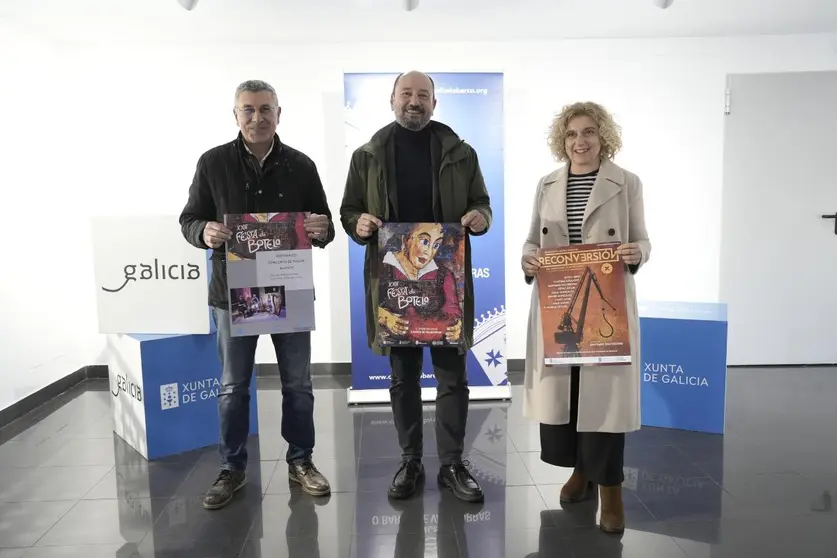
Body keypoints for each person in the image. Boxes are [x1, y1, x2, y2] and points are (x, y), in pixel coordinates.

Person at [179, 79, 335, 510]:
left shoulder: (301, 166)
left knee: (299, 386)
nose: (257, 117)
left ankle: (301, 460)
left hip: (290, 290)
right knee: (232, 388)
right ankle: (232, 467)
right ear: (236, 115)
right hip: (232, 294)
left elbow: (324, 225)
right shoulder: (212, 163)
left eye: (265, 109)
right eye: (247, 110)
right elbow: (189, 218)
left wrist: (322, 230)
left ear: (279, 114)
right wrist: (203, 231)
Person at [339, 71, 491, 503]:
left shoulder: (461, 153)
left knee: (452, 378)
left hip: (447, 282)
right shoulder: (367, 155)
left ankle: (452, 464)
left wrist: (481, 218)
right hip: (395, 285)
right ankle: (410, 462)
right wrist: (359, 223)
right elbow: (349, 209)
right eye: (406, 93)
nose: (414, 101)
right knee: (402, 378)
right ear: (392, 100)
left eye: (423, 95)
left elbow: (482, 203)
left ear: (434, 103)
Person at [520, 101, 651, 534]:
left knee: (605, 403)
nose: (581, 141)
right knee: (569, 395)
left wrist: (637, 253)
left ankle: (610, 489)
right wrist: (529, 262)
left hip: (605, 302)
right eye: (573, 134)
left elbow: (642, 240)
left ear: (603, 137)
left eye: (589, 132)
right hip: (558, 301)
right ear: (563, 140)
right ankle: (581, 472)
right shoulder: (546, 184)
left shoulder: (626, 182)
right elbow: (529, 243)